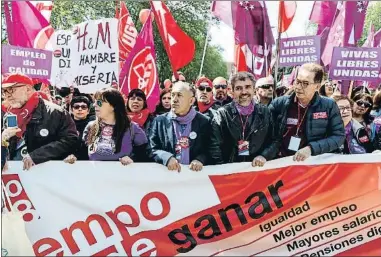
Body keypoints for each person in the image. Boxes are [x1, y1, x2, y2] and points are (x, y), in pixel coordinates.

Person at [269, 63, 345, 161]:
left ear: (317, 86)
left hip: (314, 163)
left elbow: (338, 137)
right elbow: (268, 134)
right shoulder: (280, 103)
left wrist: (311, 148)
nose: (299, 87)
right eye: (297, 81)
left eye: (305, 83)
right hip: (284, 162)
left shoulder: (329, 105)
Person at [1, 73, 78, 170]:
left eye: (11, 89)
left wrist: (37, 156)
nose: (7, 95)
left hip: (45, 175)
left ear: (28, 89)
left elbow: (70, 140)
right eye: (4, 91)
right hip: (15, 177)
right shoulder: (7, 115)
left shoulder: (55, 112)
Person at [210, 72, 277, 166]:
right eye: (238, 88)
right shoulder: (222, 114)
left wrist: (264, 156)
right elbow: (214, 146)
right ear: (232, 91)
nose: (244, 92)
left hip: (257, 170)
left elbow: (274, 141)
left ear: (254, 90)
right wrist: (223, 169)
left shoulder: (265, 112)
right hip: (230, 172)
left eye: (248, 87)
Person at [65, 88, 148, 164]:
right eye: (95, 102)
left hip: (122, 177)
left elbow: (144, 155)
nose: (94, 105)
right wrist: (74, 157)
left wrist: (132, 158)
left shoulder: (133, 129)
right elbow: (83, 152)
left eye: (99, 102)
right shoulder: (91, 126)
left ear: (113, 106)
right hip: (95, 177)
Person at [150, 81, 211, 172]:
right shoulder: (160, 121)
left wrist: (200, 160)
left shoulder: (204, 121)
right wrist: (167, 158)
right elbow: (151, 149)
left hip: (195, 179)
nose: (174, 99)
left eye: (179, 95)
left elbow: (210, 150)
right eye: (173, 95)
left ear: (191, 101)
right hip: (168, 178)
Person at [68, 96, 95, 160]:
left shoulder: (94, 124)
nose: (80, 109)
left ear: (88, 111)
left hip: (89, 161)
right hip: (70, 161)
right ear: (72, 110)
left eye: (83, 107)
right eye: (76, 107)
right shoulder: (66, 124)